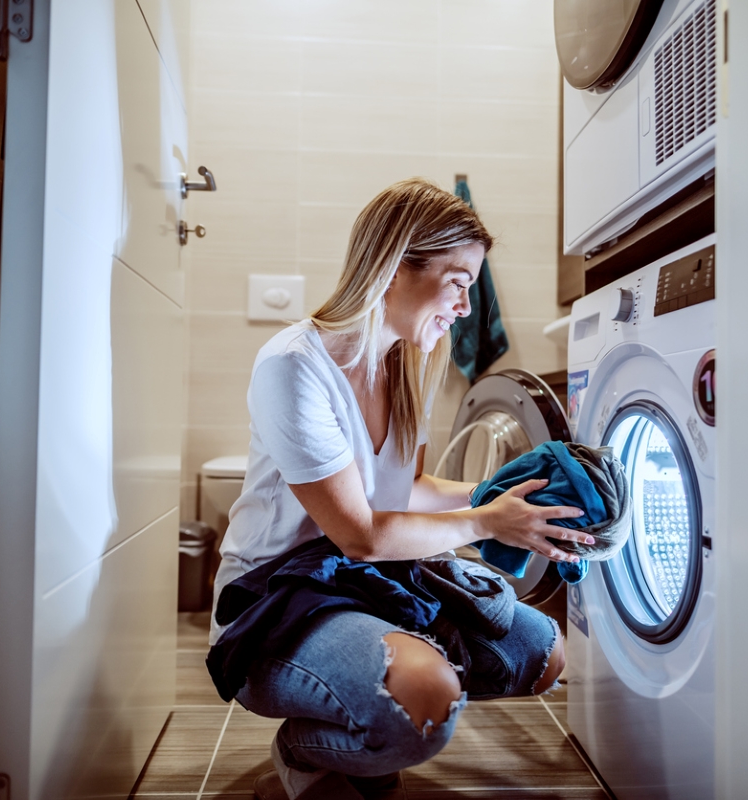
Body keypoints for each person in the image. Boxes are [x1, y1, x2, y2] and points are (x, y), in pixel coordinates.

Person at [210, 178, 593, 800]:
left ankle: (369, 707)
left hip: (365, 587)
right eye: (459, 282)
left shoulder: (404, 365)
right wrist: (490, 523)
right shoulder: (294, 366)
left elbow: (407, 488)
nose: (466, 308)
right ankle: (307, 747)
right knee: (426, 698)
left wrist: (501, 494)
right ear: (393, 267)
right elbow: (360, 534)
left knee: (543, 654)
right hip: (275, 605)